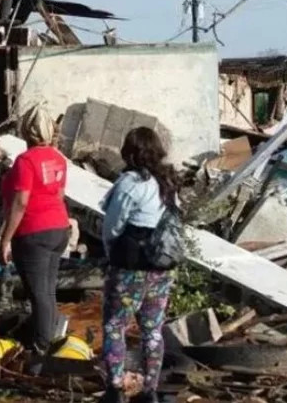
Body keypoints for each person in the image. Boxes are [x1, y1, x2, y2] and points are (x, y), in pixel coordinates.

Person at [99, 127, 179, 403]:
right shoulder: (167, 183)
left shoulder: (130, 182)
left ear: (129, 152)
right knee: (153, 330)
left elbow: (112, 226)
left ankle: (116, 388)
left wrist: (111, 253)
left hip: (130, 268)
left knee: (114, 326)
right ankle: (150, 391)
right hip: (162, 269)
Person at [0, 103, 71, 365]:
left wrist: (6, 238)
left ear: (26, 130)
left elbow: (20, 202)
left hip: (33, 233)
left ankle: (40, 353)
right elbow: (59, 195)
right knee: (48, 292)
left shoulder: (25, 162)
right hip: (58, 229)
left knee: (38, 294)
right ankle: (48, 342)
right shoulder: (58, 159)